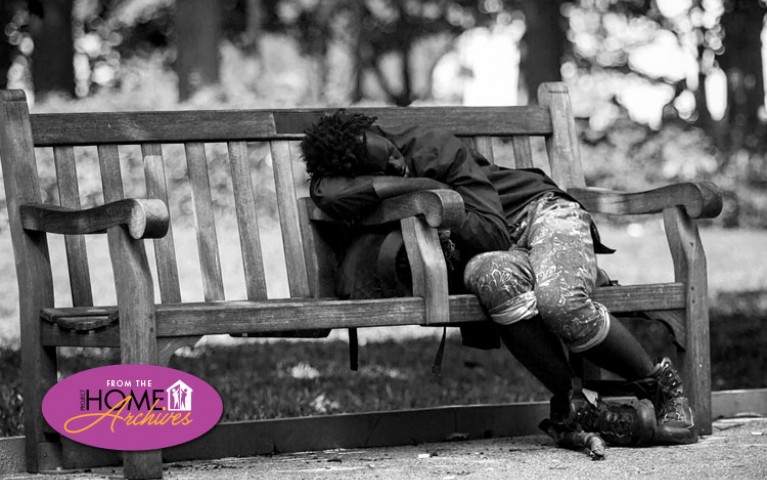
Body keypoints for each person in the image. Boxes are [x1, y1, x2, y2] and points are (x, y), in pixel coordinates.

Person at [300, 110, 698, 452]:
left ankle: (659, 389)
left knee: (560, 302)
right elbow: (328, 194)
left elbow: (490, 231)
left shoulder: (432, 147)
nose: (394, 166)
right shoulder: (348, 179)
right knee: (490, 277)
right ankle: (573, 406)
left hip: (539, 216)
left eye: (390, 155)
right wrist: (409, 188)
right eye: (380, 170)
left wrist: (430, 189)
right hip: (493, 256)